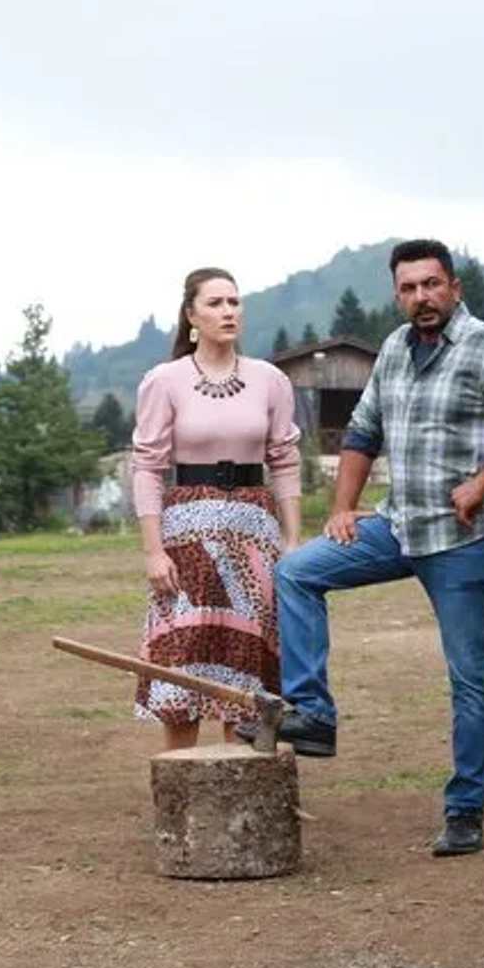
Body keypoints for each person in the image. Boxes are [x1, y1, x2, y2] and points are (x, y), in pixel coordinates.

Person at [255, 239, 484, 857]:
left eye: (431, 285)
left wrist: (482, 482)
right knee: (296, 571)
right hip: (397, 527)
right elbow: (363, 432)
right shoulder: (394, 349)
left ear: (455, 287)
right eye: (409, 288)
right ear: (397, 294)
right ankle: (313, 713)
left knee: (469, 677)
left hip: (465, 540)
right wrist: (341, 507)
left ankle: (465, 810)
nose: (421, 297)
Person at [130, 268, 302, 751]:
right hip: (185, 538)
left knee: (246, 669)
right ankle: (181, 797)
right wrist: (153, 551)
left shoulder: (270, 380)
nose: (228, 311)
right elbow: (147, 467)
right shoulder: (164, 381)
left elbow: (285, 461)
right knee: (182, 665)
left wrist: (291, 543)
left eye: (234, 302)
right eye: (215, 303)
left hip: (254, 536)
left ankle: (240, 796)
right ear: (191, 315)